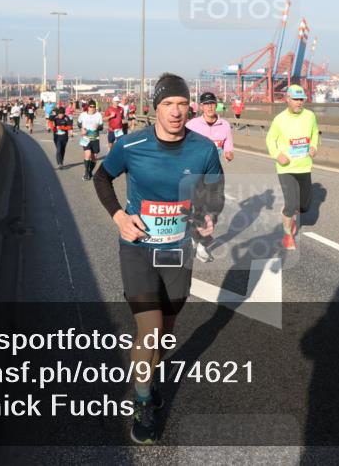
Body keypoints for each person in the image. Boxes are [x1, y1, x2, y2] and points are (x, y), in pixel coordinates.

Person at [92, 73, 225, 445]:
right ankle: (143, 400)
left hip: (176, 250)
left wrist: (209, 213)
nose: (176, 111)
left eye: (182, 103)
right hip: (137, 248)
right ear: (155, 109)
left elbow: (215, 191)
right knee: (148, 332)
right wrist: (119, 217)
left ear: (190, 107)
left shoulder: (202, 149)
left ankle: (147, 377)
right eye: (168, 104)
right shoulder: (132, 145)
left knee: (165, 333)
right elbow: (102, 179)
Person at [266, 84, 320, 250]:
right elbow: (270, 139)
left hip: (304, 166)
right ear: (287, 99)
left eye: (301, 99)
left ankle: (290, 217)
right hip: (286, 168)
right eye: (295, 99)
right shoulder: (279, 119)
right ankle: (287, 234)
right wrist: (277, 154)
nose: (299, 102)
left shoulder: (310, 116)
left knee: (304, 206)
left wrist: (313, 147)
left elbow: (314, 133)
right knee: (290, 204)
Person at [185, 91, 235, 262]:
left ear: (216, 105)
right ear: (201, 107)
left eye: (212, 104)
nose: (209, 107)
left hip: (216, 174)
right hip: (197, 175)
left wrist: (229, 153)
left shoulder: (225, 125)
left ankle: (199, 241)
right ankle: (198, 242)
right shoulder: (192, 125)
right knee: (199, 210)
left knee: (215, 209)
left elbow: (228, 146)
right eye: (206, 104)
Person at [76, 99, 103, 181]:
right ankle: (86, 173)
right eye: (91, 106)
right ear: (88, 107)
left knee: (94, 157)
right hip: (86, 138)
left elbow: (101, 127)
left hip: (95, 138)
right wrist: (82, 129)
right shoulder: (83, 115)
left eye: (94, 107)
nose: (92, 108)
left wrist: (97, 127)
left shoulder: (98, 115)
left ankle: (89, 171)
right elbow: (78, 123)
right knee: (87, 154)